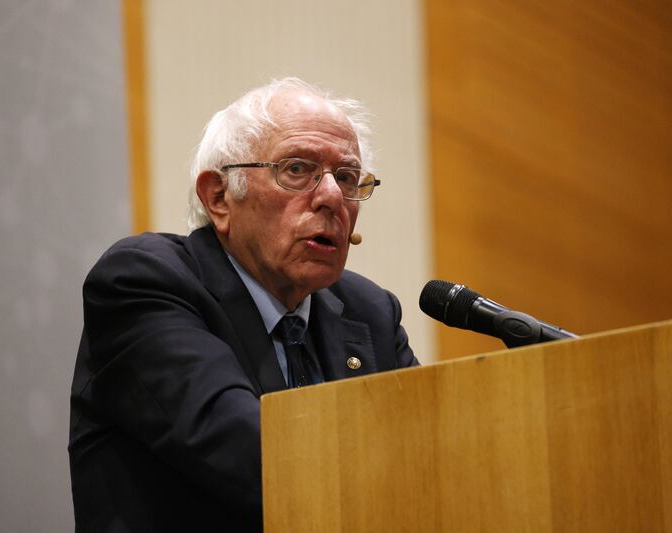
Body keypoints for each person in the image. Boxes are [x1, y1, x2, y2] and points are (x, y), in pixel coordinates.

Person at [68, 78, 418, 532]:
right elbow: (244, 451)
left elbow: (428, 448)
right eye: (297, 169)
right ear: (219, 197)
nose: (333, 197)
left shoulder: (369, 310)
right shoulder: (144, 281)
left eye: (347, 178)